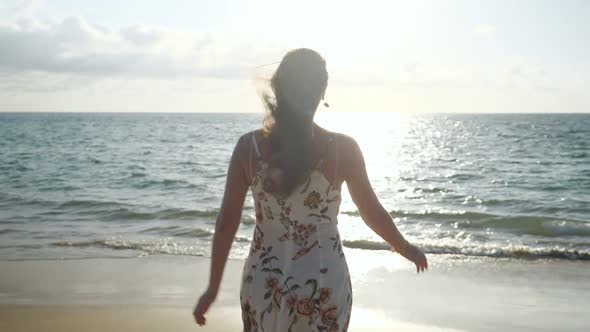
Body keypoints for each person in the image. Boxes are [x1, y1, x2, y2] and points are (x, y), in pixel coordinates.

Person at [193, 48, 427, 331]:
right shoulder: (343, 150)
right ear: (322, 92)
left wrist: (212, 287)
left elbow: (227, 221)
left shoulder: (248, 148)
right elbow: (371, 211)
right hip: (324, 282)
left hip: (265, 283)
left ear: (278, 88)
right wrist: (404, 246)